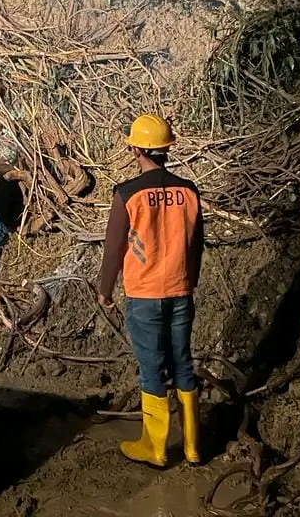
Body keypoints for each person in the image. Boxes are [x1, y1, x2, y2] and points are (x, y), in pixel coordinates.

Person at [97, 114, 205, 467]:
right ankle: (192, 447)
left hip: (145, 295)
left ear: (134, 150)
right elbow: (197, 245)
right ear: (167, 149)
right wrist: (190, 282)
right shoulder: (189, 191)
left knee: (152, 368)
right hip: (180, 291)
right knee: (184, 364)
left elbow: (114, 248)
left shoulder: (128, 193)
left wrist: (105, 289)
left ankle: (155, 448)